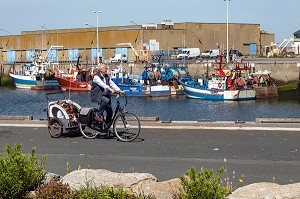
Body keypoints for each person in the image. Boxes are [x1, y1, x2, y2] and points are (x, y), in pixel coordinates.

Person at [90, 64, 124, 130]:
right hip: (97, 96)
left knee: (110, 112)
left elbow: (112, 84)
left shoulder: (106, 77)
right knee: (106, 100)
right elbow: (103, 85)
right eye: (105, 68)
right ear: (101, 69)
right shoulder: (96, 77)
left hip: (105, 96)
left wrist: (119, 90)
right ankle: (98, 114)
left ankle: (106, 127)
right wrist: (110, 89)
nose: (106, 69)